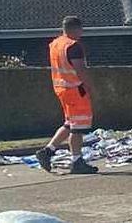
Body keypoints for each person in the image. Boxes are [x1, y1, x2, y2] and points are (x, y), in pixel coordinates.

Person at [35, 16, 98, 174]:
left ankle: (47, 151)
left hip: (61, 88)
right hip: (76, 90)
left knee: (69, 123)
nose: (81, 33)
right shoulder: (73, 46)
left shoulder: (56, 44)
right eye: (80, 29)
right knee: (78, 128)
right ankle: (77, 161)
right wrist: (91, 88)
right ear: (75, 28)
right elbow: (80, 70)